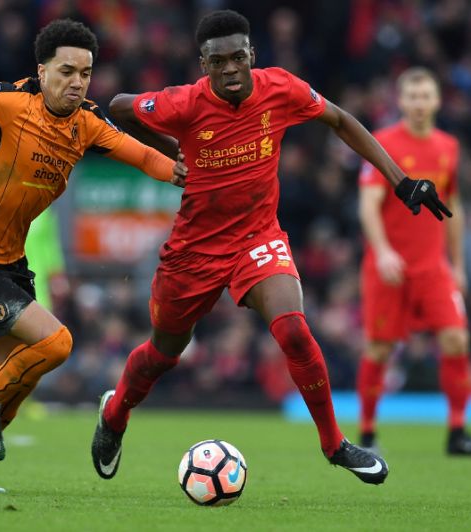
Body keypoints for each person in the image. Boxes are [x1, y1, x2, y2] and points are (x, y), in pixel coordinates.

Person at [91, 10, 451, 486]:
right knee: (163, 353)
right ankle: (115, 414)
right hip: (193, 251)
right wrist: (165, 148)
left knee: (294, 330)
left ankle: (334, 444)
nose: (230, 69)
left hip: (257, 237)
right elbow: (118, 106)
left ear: (251, 55)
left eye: (238, 57)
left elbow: (340, 120)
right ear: (204, 65)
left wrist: (401, 182)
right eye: (218, 61)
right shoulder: (183, 103)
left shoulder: (280, 87)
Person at [0, 19, 187, 493]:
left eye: (85, 73)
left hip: (7, 261)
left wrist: (182, 174)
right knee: (56, 344)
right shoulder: (8, 102)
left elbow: (143, 156)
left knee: (21, 377)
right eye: (66, 71)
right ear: (42, 71)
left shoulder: (87, 123)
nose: (77, 82)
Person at [355, 67, 471, 456]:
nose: (419, 103)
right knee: (379, 349)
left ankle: (457, 432)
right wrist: (383, 251)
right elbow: (368, 205)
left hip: (433, 267)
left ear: (437, 100)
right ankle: (367, 435)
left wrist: (458, 264)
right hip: (390, 268)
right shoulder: (381, 144)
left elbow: (454, 207)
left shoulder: (449, 146)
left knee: (457, 338)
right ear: (401, 101)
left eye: (425, 96)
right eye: (412, 96)